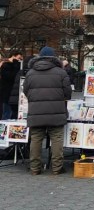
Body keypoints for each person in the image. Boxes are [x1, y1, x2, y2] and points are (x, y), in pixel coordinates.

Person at [23, 46, 72, 175]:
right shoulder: (61, 72)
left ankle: (35, 168)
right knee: (57, 139)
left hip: (36, 112)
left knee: (36, 139)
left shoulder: (30, 72)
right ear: (54, 57)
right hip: (56, 111)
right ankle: (57, 168)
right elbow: (68, 93)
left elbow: (26, 91)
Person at [1, 52, 23, 119]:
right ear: (13, 56)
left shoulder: (16, 66)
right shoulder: (6, 65)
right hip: (7, 94)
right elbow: (10, 77)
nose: (19, 60)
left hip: (14, 95)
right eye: (19, 58)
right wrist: (16, 65)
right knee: (7, 113)